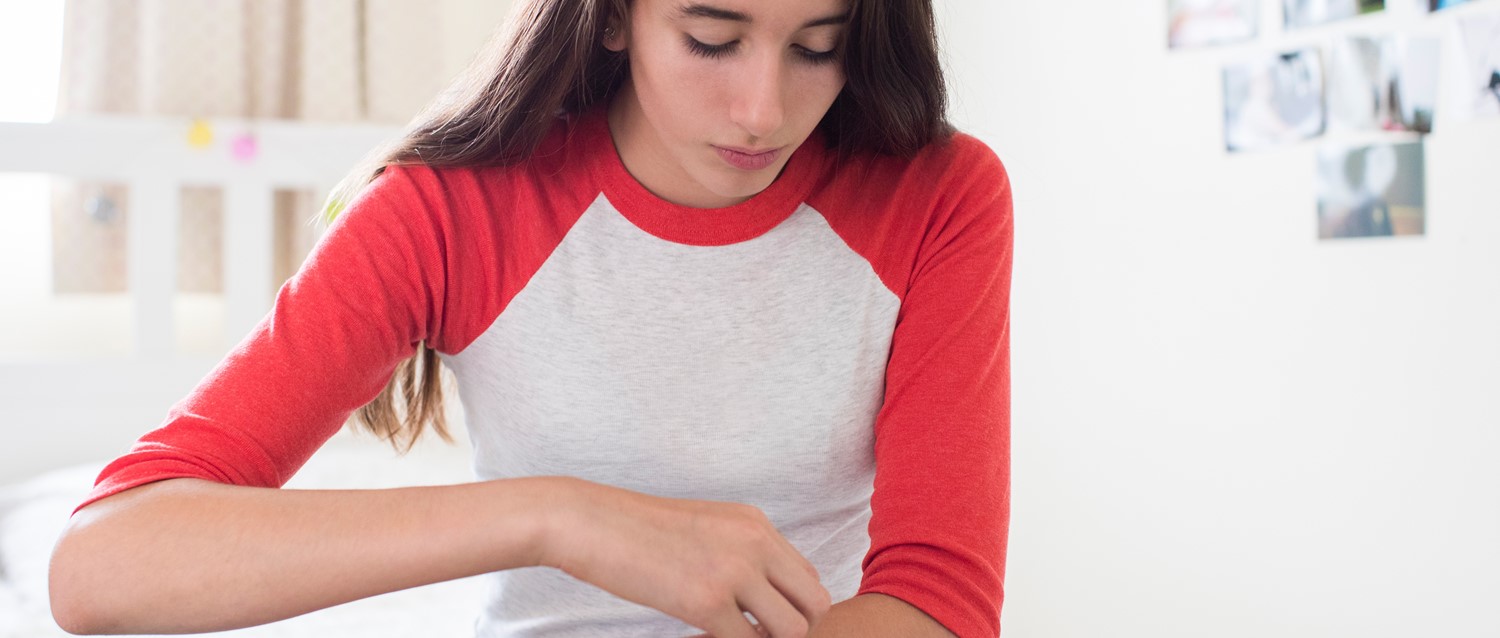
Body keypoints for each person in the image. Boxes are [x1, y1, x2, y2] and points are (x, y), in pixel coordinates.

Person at [47, 0, 1013, 636]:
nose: (762, 108)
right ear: (613, 19)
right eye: (711, 39)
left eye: (818, 46)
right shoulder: (451, 211)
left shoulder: (939, 195)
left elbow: (937, 595)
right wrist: (556, 518)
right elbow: (101, 568)